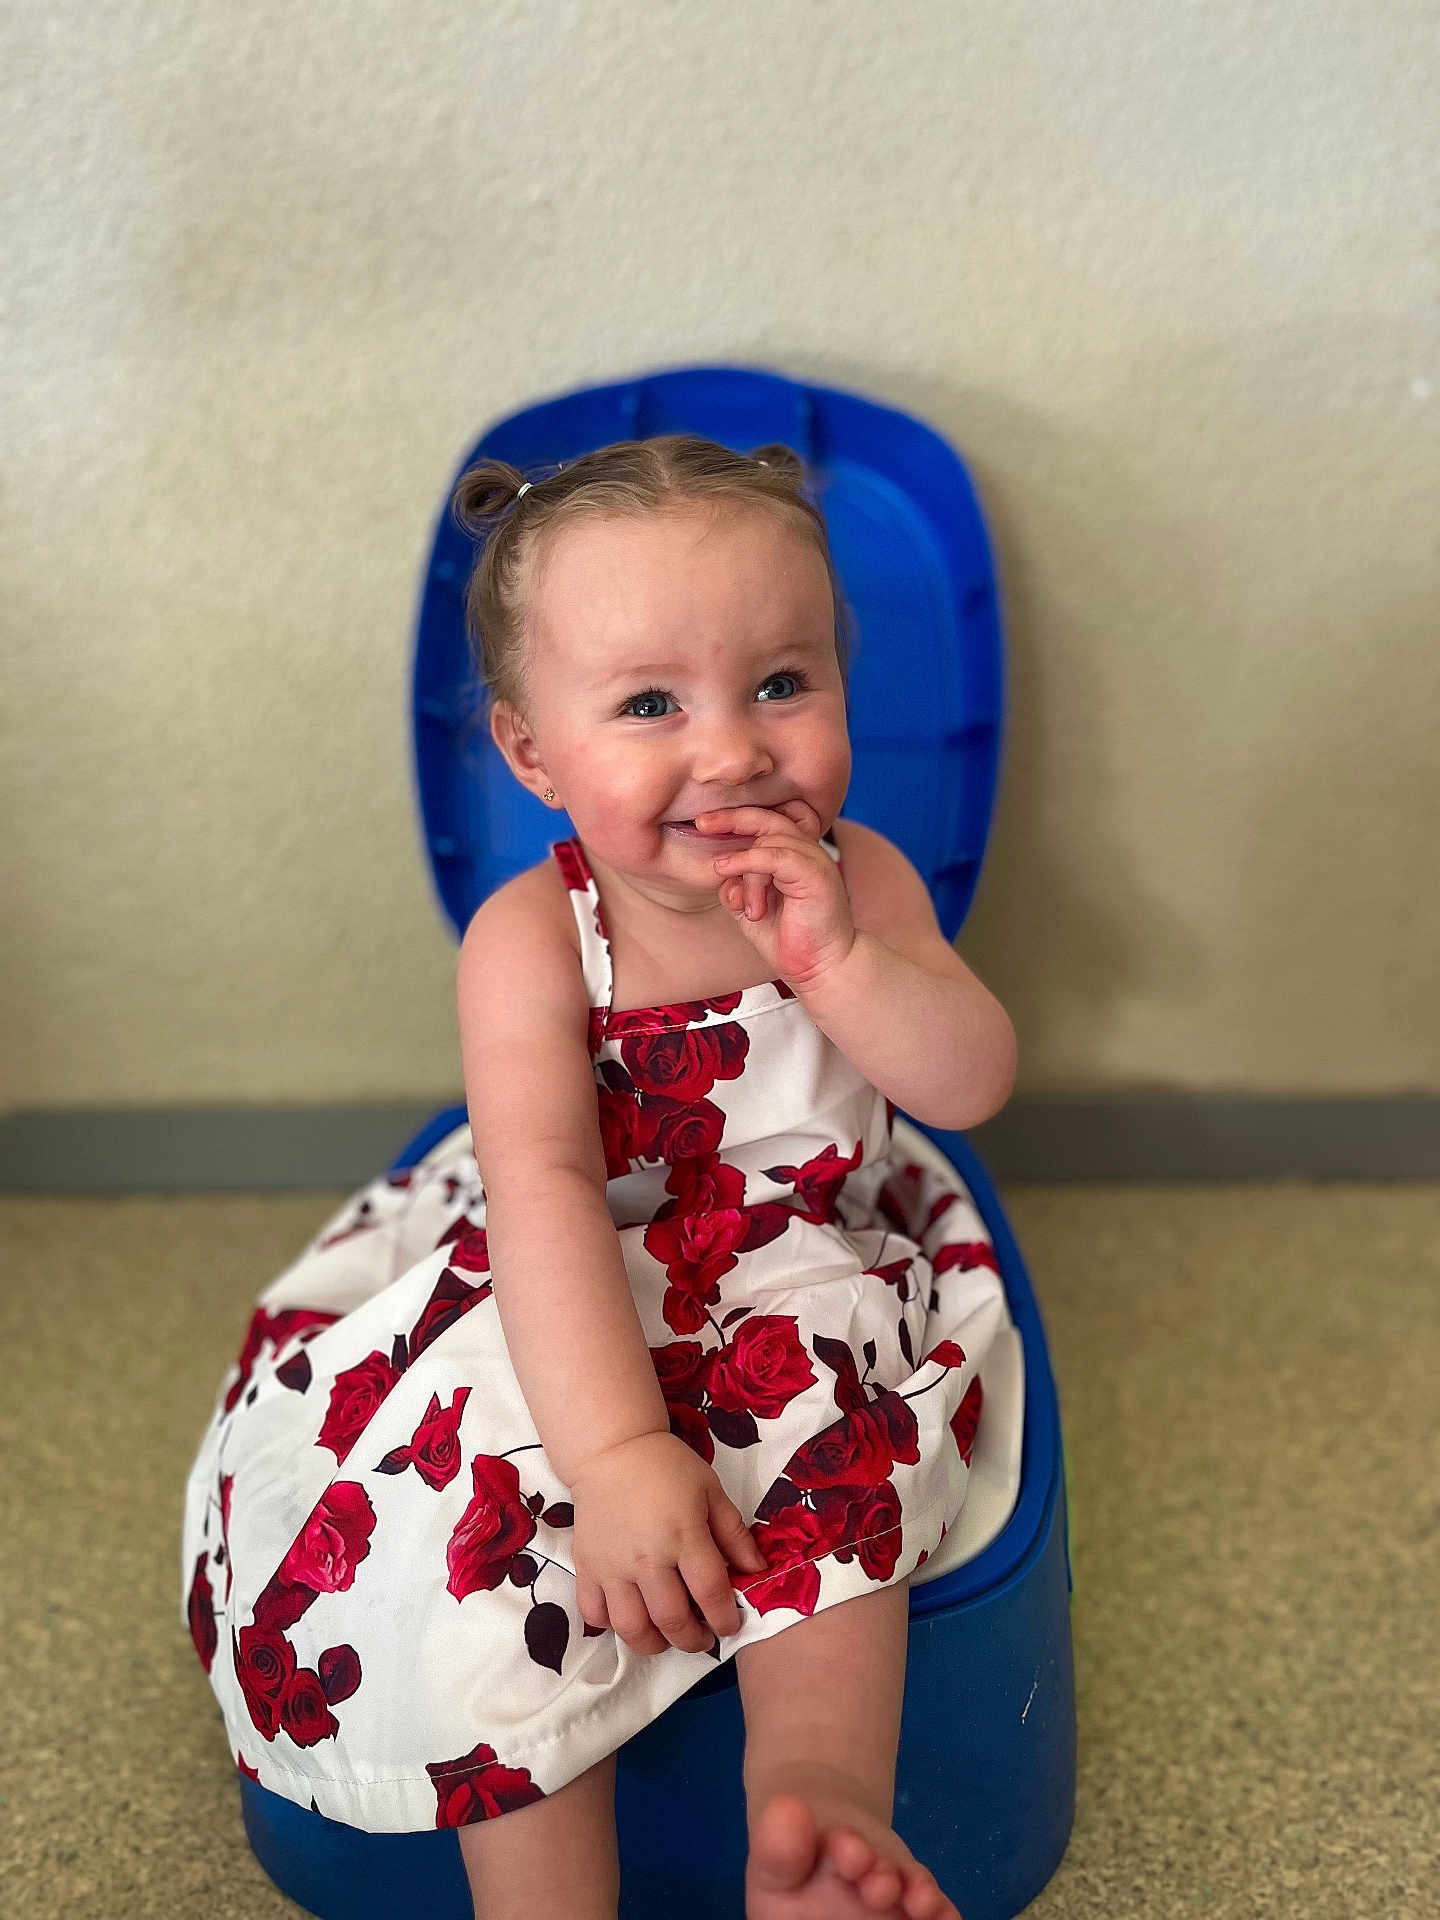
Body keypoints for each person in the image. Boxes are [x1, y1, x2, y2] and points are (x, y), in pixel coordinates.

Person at [182, 434, 1017, 1920]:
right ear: (531, 754)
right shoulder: (529, 936)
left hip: (802, 1251)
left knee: (838, 1443)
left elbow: (967, 1084)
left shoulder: (862, 878)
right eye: (649, 706)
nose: (734, 749)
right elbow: (546, 1194)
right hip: (574, 1271)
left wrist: (843, 964)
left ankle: (815, 1816)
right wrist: (620, 1459)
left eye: (782, 682)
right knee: (484, 1518)